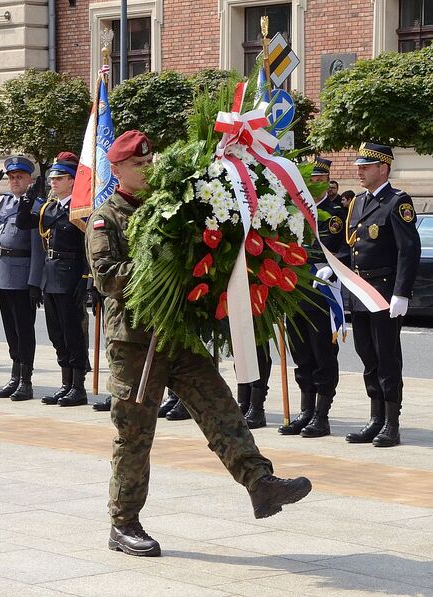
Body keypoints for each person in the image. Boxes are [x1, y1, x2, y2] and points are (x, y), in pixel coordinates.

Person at [85, 130, 312, 557]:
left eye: (149, 162)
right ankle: (124, 522)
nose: (147, 169)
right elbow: (107, 277)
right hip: (136, 344)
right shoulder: (106, 218)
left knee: (220, 408)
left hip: (179, 335)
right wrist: (161, 264)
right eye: (137, 164)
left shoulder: (172, 209)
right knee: (134, 433)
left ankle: (260, 484)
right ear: (116, 170)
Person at [344, 143, 421, 447]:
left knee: (387, 358)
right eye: (359, 167)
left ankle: (391, 423)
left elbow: (409, 249)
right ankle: (375, 419)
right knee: (368, 357)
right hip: (361, 294)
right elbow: (353, 247)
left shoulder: (397, 202)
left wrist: (401, 292)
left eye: (365, 166)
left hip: (385, 293)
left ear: (383, 168)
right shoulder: (359, 202)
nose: (359, 171)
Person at [17, 152, 92, 407]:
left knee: (73, 333)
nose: (53, 183)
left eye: (59, 179)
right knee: (56, 333)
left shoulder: (81, 209)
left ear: (72, 181)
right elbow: (23, 222)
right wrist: (27, 201)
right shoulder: (49, 207)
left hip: (70, 276)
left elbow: (87, 247)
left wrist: (86, 279)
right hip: (50, 276)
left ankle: (78, 386)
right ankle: (65, 383)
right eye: (52, 179)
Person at [280, 156, 347, 438]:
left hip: (321, 294)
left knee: (323, 353)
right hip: (295, 292)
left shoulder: (334, 215)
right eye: (311, 181)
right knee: (301, 352)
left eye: (320, 180)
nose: (315, 186)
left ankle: (321, 414)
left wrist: (331, 270)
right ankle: (305, 410)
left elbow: (344, 252)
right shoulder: (295, 213)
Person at [0, 156, 46, 401]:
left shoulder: (35, 205)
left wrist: (34, 282)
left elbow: (37, 247)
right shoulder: (2, 203)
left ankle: (26, 380)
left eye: (19, 177)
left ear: (29, 180)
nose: (14, 181)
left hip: (22, 275)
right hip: (2, 272)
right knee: (10, 330)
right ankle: (14, 376)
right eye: (11, 178)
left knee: (24, 330)